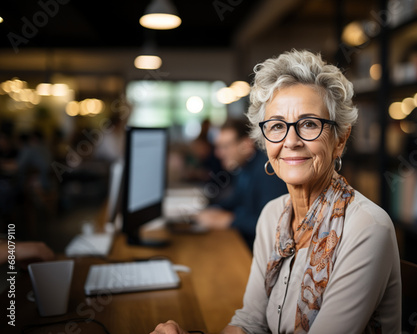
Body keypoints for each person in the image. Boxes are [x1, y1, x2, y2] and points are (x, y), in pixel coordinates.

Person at [151, 49, 401, 334]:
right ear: (264, 139)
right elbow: (251, 323)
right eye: (278, 126)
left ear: (340, 140)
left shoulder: (367, 227)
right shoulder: (272, 216)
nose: (291, 141)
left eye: (309, 124)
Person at [195, 118, 288, 250]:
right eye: (218, 147)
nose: (218, 153)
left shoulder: (268, 171)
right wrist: (211, 210)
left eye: (225, 147)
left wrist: (229, 220)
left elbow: (274, 225)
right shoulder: (244, 167)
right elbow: (236, 199)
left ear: (246, 145)